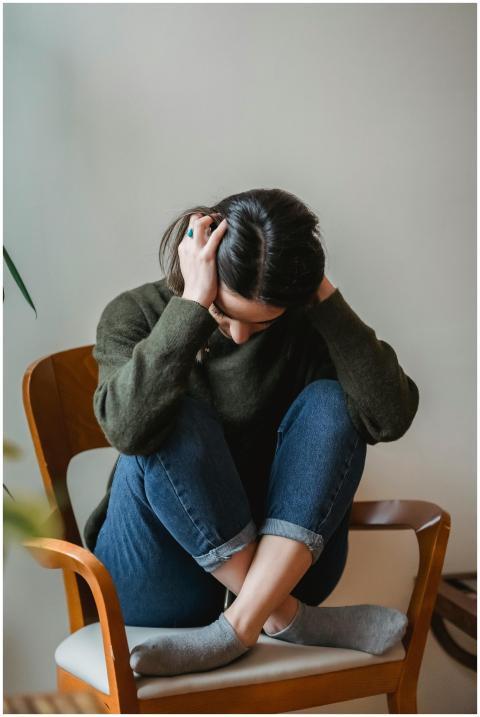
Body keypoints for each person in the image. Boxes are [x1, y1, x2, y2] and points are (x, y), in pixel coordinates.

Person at [85, 187, 420, 677]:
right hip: (156, 575)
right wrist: (192, 308)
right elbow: (127, 429)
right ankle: (284, 616)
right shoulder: (135, 314)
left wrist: (323, 298)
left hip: (287, 561)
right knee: (171, 415)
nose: (240, 335)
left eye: (260, 325)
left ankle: (239, 624)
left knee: (333, 402)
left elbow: (388, 417)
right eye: (225, 313)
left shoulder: (304, 323)